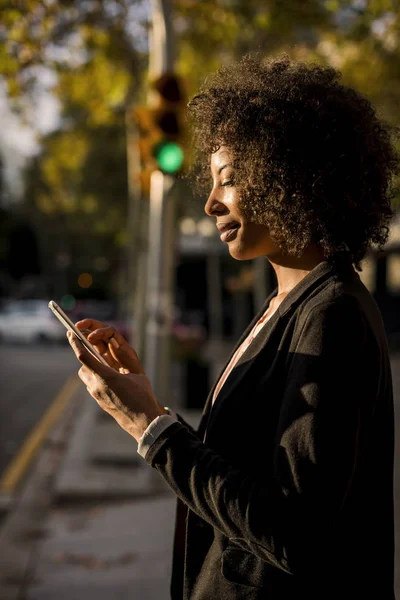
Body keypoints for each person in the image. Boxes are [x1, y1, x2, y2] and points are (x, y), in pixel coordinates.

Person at [67, 55, 397, 599]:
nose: (211, 199)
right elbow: (242, 465)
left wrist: (150, 427)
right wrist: (147, 398)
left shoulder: (332, 315)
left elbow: (296, 532)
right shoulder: (284, 304)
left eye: (231, 180)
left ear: (289, 177)